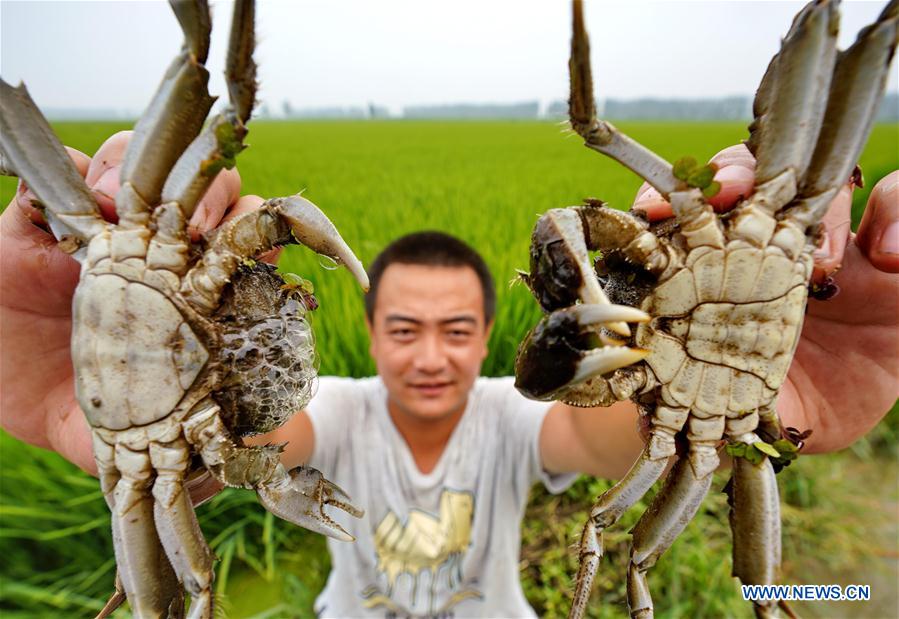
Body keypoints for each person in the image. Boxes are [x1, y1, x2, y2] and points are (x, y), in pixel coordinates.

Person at [1, 132, 897, 617]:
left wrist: (850, 582)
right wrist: (117, 394)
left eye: (456, 329)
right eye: (403, 327)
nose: (430, 354)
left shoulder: (514, 419)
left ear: (490, 340)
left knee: (783, 590)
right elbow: (245, 450)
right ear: (365, 332)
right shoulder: (340, 417)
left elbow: (602, 433)